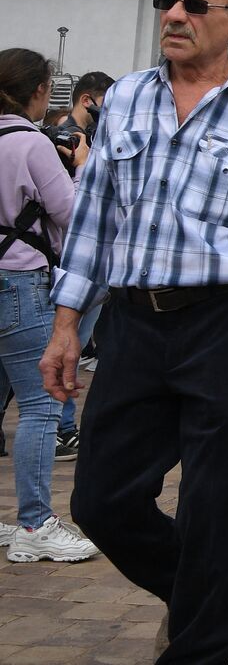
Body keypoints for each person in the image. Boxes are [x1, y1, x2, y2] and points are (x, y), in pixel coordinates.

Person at [41, 0, 228, 664]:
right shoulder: (128, 100)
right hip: (135, 323)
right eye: (166, 2)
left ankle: (199, 647)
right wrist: (66, 324)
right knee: (100, 502)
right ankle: (199, 594)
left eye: (194, 5)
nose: (174, 15)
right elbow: (94, 218)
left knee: (218, 505)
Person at [0, 48, 98, 564]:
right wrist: (82, 168)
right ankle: (35, 523)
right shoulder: (30, 143)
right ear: (40, 92)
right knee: (40, 406)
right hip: (19, 280)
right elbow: (71, 211)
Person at [51, 69, 116, 462]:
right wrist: (82, 165)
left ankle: (63, 426)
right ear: (89, 100)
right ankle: (62, 429)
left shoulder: (88, 137)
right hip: (69, 260)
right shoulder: (63, 138)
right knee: (64, 344)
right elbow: (75, 209)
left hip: (85, 263)